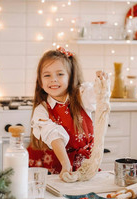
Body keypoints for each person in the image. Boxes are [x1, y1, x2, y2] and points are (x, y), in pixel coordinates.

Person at [28, 47, 107, 179]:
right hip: (55, 166)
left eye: (60, 74)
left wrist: (101, 82)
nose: (53, 79)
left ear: (71, 77)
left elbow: (95, 94)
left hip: (85, 164)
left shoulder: (81, 96)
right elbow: (54, 136)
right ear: (40, 82)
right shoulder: (41, 110)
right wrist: (66, 164)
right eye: (47, 75)